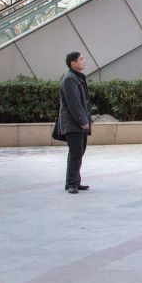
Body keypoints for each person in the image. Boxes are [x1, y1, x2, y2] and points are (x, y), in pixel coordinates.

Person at [57, 51, 91, 194]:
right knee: (76, 152)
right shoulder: (70, 79)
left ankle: (74, 181)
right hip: (73, 124)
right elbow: (73, 102)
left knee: (78, 152)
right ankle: (71, 183)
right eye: (81, 59)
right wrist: (83, 120)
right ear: (73, 63)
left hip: (78, 123)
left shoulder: (77, 77)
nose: (84, 61)